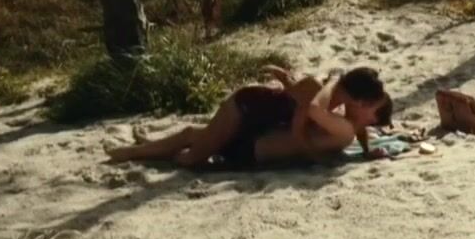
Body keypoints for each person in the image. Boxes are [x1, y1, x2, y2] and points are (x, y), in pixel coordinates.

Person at [105, 66, 393, 168]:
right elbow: (299, 129)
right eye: (372, 106)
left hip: (258, 121)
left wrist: (367, 150)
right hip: (248, 108)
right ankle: (133, 153)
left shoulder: (336, 107)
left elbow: (354, 125)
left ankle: (147, 147)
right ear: (359, 100)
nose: (372, 115)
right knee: (193, 157)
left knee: (197, 136)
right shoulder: (320, 92)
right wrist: (314, 157)